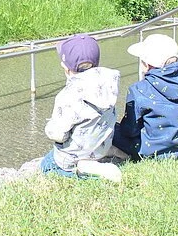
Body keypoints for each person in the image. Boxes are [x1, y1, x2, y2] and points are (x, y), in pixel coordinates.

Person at [40, 33, 125, 182]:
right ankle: (106, 153)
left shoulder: (68, 96)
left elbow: (57, 134)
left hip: (74, 156)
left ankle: (86, 168)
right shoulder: (109, 83)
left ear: (66, 69)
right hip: (101, 145)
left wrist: (49, 127)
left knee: (47, 165)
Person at [113, 33, 178, 160]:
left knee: (113, 130)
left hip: (149, 151)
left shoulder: (139, 89)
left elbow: (130, 129)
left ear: (146, 64)